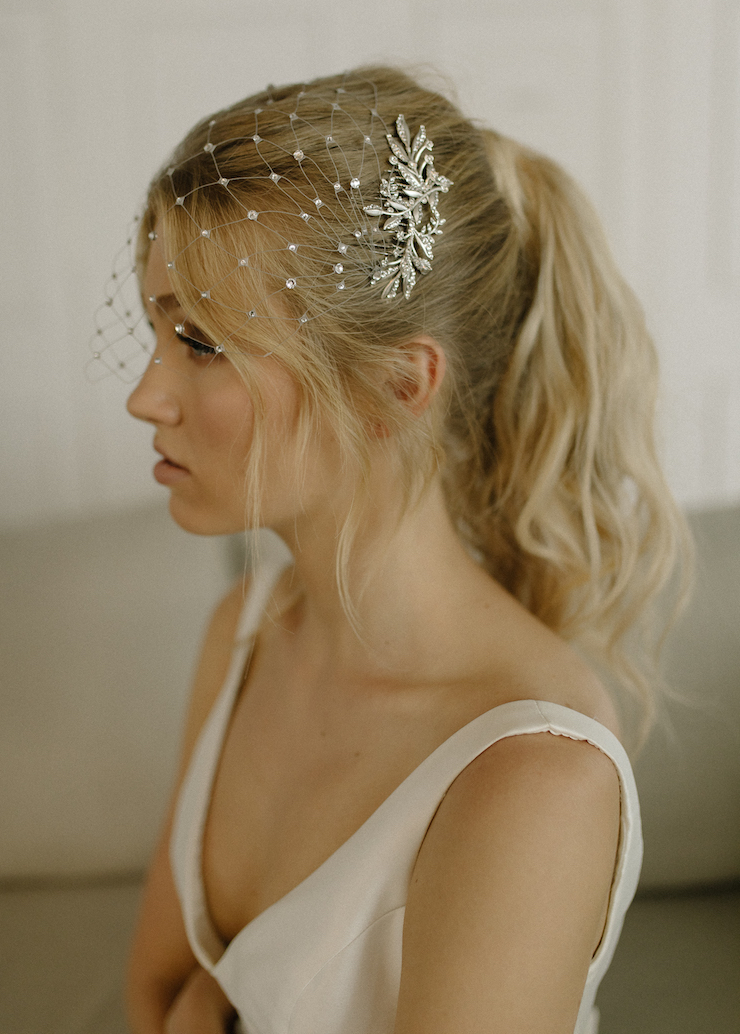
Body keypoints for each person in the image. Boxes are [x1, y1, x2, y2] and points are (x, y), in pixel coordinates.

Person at [120, 66, 689, 1034]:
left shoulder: (534, 779)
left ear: (395, 386)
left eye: (201, 342)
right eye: (154, 332)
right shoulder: (244, 633)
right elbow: (152, 992)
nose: (145, 396)